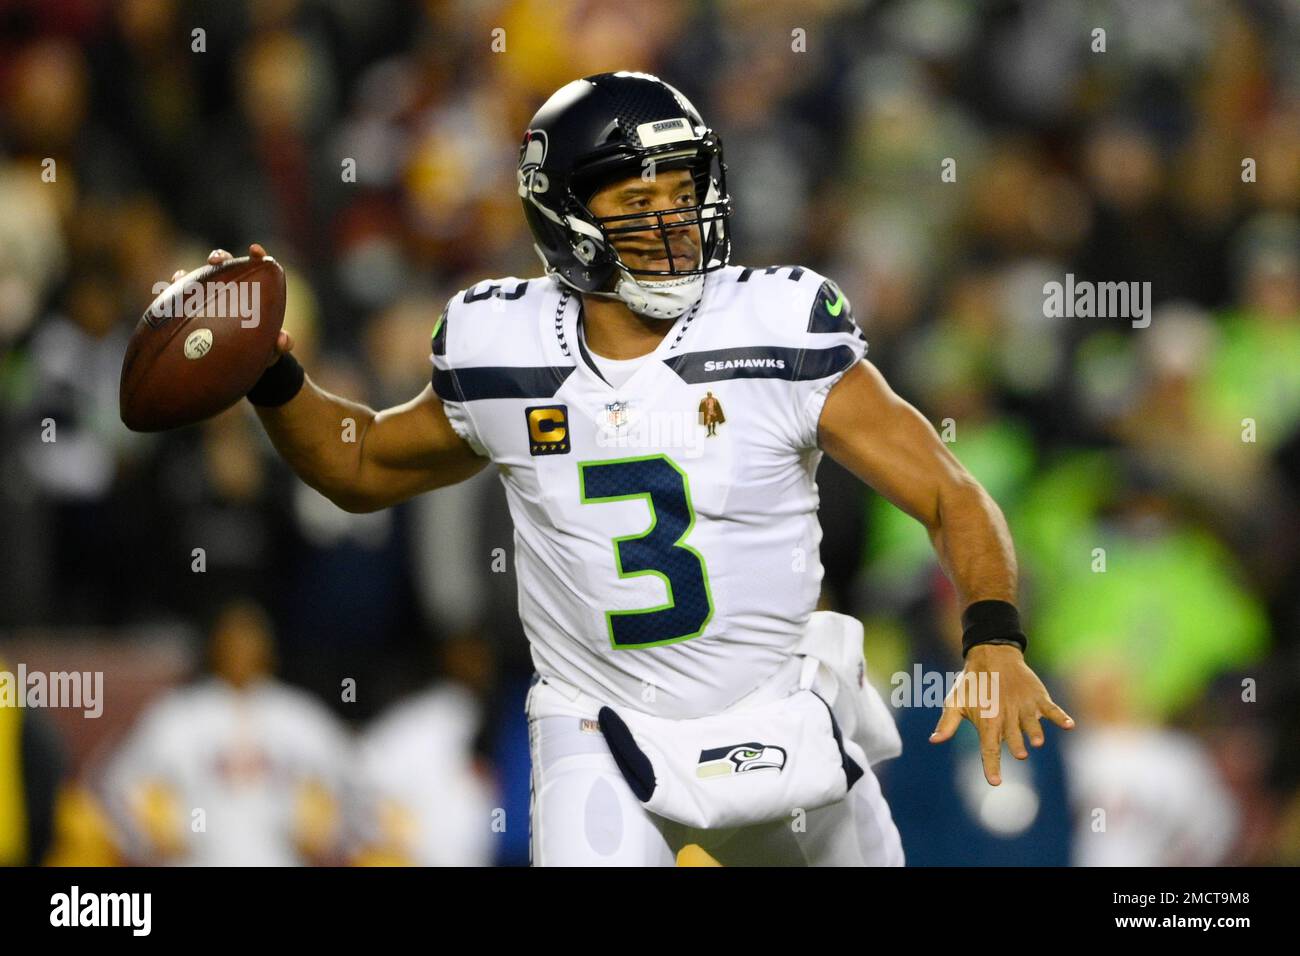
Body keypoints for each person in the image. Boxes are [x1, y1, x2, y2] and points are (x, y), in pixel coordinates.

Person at [177, 71, 1072, 865]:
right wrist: (275, 377)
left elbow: (951, 494)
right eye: (635, 201)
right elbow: (361, 463)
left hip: (779, 715)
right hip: (600, 730)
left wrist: (992, 632)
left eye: (682, 192)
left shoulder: (775, 325)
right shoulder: (503, 349)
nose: (670, 220)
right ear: (563, 213)